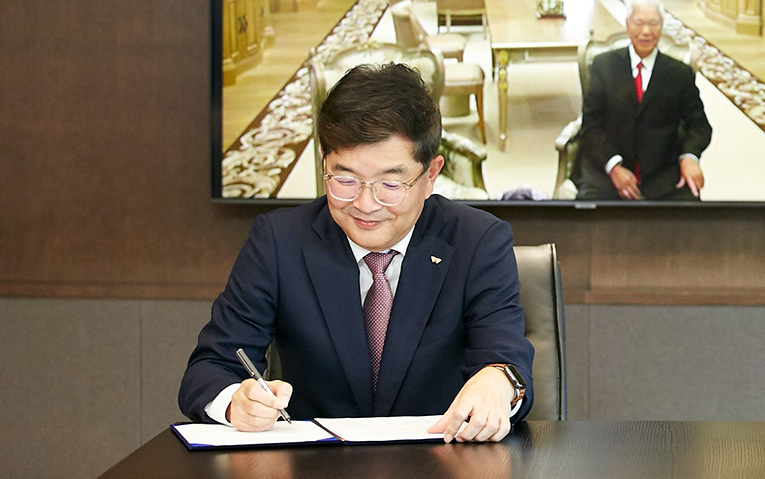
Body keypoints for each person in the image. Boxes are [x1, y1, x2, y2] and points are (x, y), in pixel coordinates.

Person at [179, 63, 533, 442]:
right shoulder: (279, 242)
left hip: (441, 458)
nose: (365, 204)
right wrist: (235, 401)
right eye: (344, 179)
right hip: (316, 463)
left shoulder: (478, 242)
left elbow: (506, 358)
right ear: (324, 163)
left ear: (431, 175)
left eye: (390, 184)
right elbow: (210, 368)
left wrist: (498, 382)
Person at [575, 0, 712, 201]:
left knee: (690, 216)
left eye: (653, 23)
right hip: (608, 172)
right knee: (587, 215)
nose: (646, 31)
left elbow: (699, 126)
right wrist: (613, 167)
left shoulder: (679, 73)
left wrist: (689, 157)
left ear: (662, 26)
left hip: (663, 176)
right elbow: (591, 126)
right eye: (639, 23)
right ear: (627, 25)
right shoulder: (604, 66)